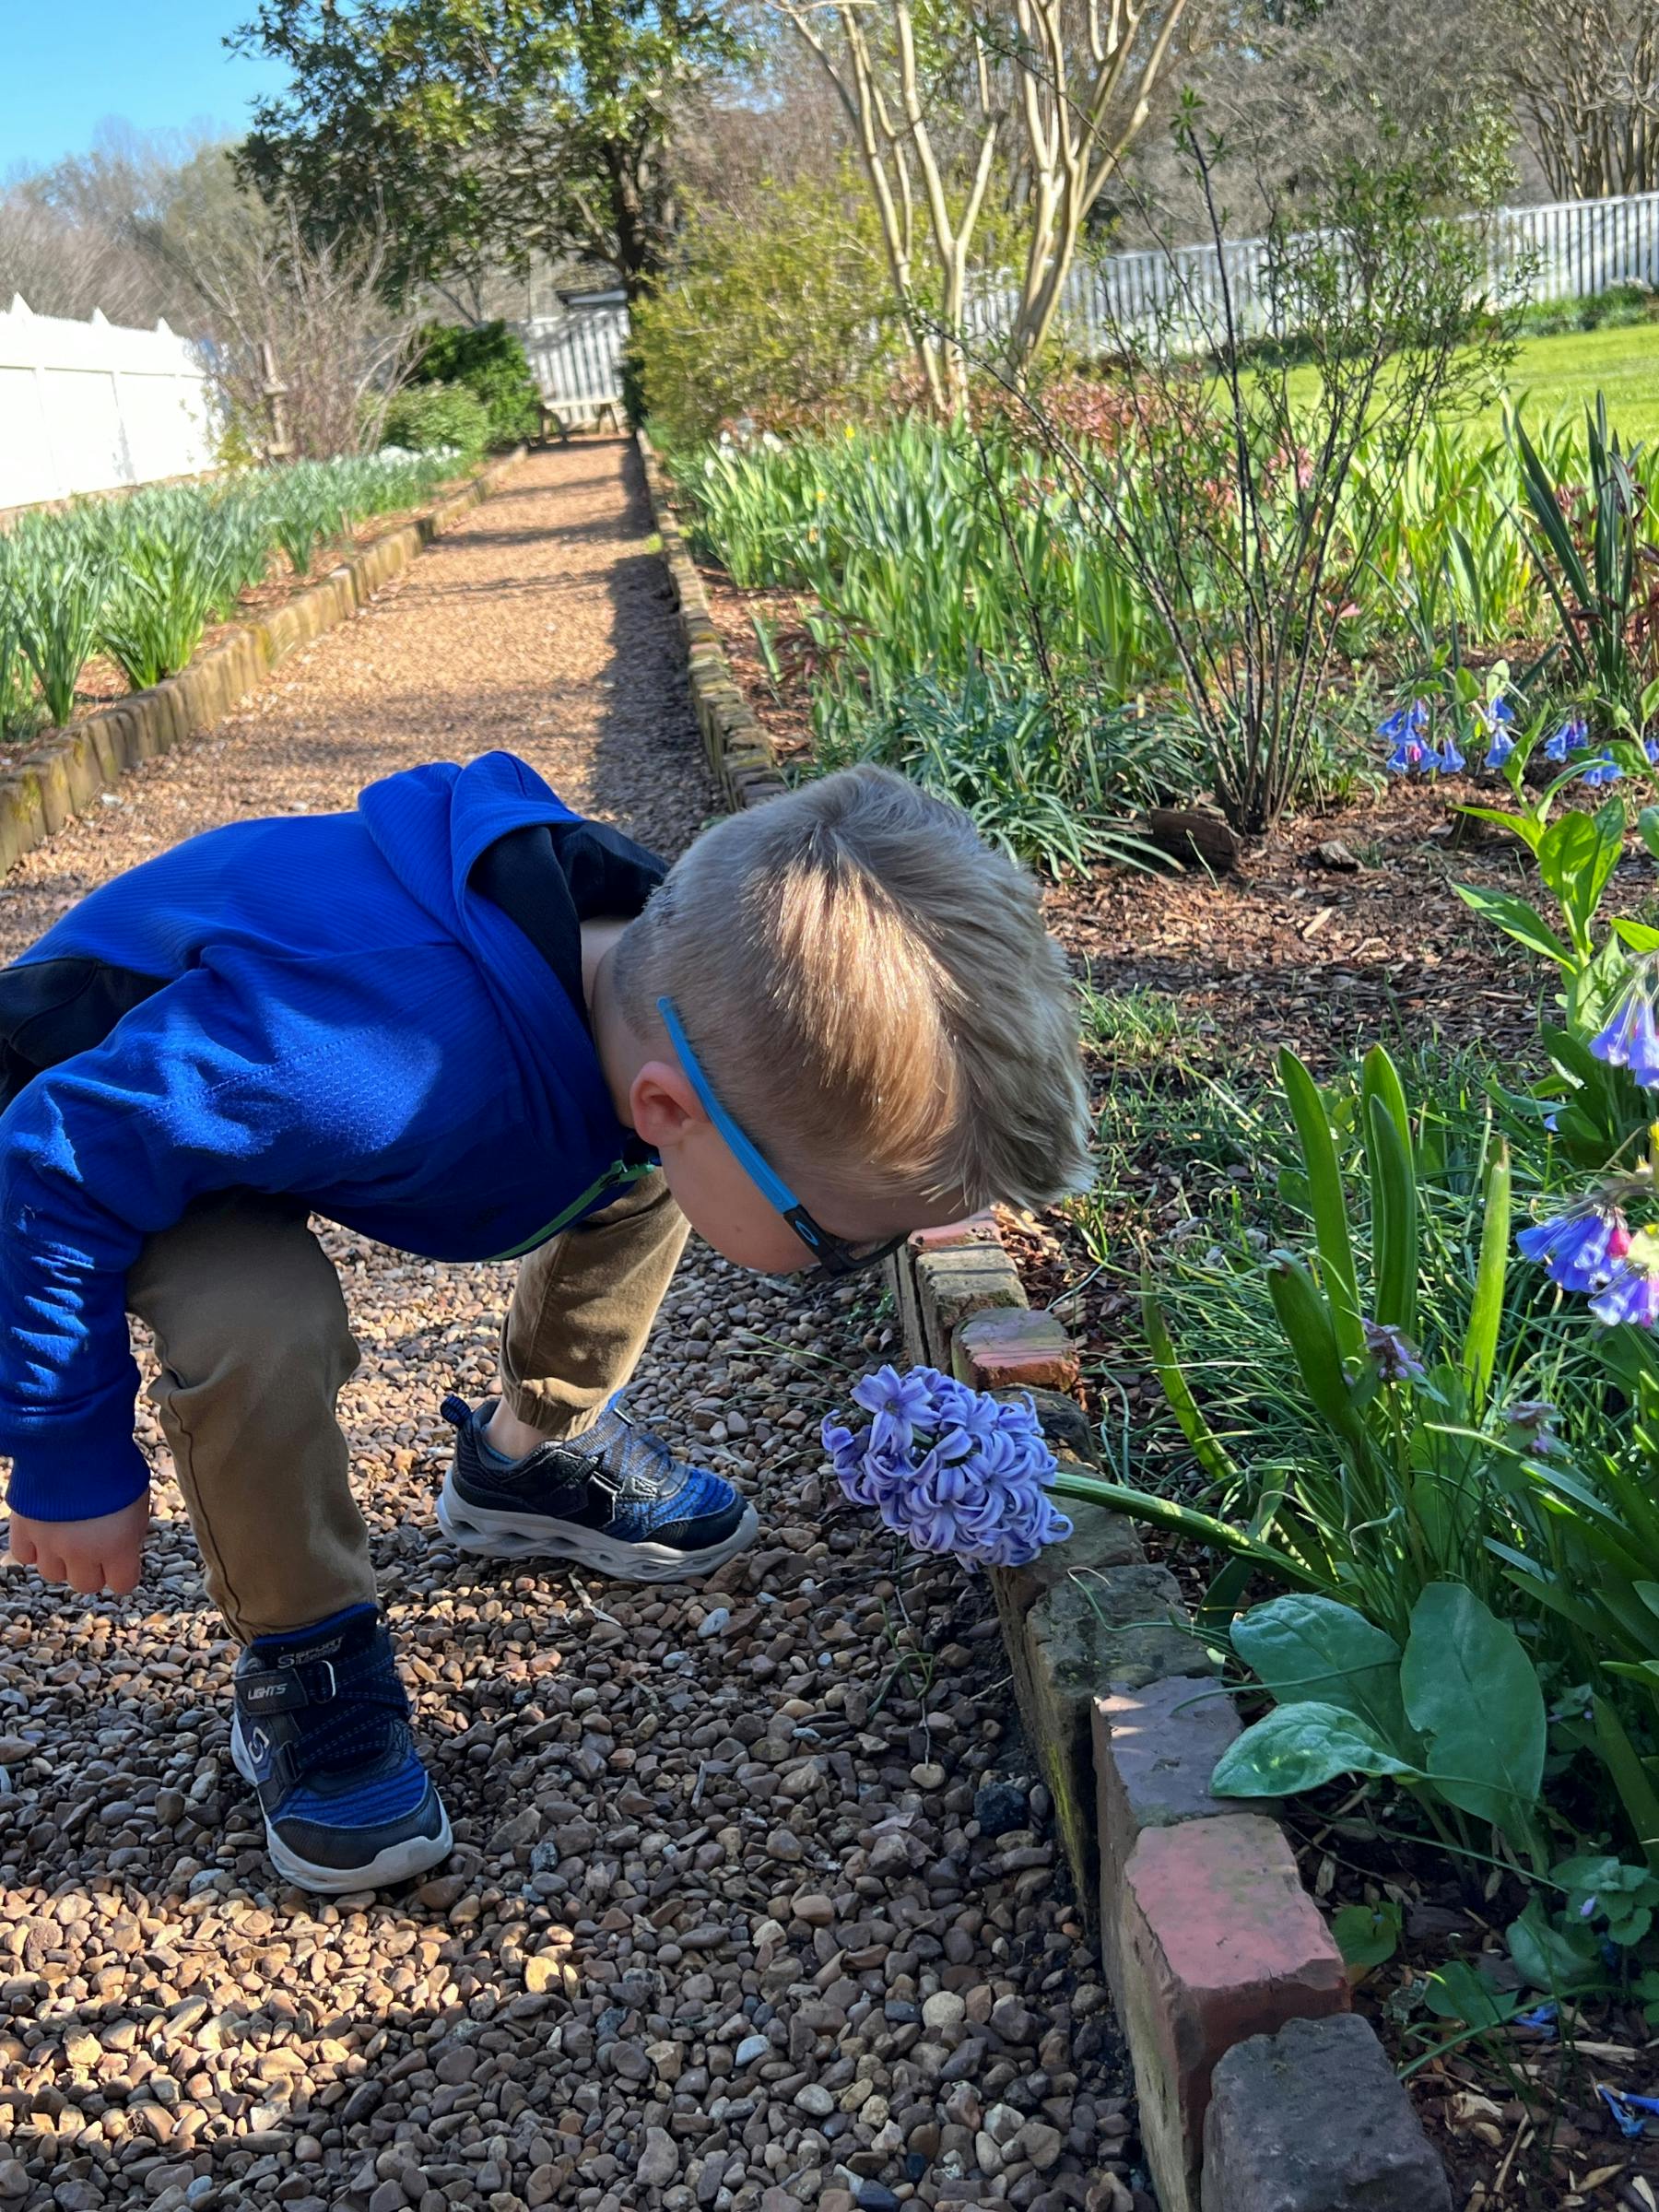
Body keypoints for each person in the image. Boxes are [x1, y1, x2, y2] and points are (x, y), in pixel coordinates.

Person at [0, 752, 1092, 1893]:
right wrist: (67, 1451)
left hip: (246, 1069)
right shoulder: (382, 1068)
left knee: (651, 1166)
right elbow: (54, 1152)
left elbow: (679, 1136)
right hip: (100, 1105)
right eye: (844, 1241)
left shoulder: (665, 983)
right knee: (260, 1319)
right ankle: (307, 1650)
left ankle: (533, 1449)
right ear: (668, 1099)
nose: (858, 1261)